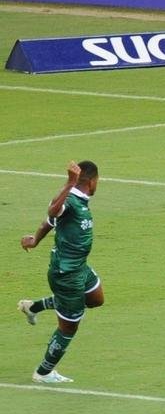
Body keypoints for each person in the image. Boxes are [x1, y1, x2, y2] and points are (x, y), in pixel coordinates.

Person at [17, 160, 104, 384]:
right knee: (69, 327)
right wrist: (69, 182)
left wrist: (36, 239)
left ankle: (32, 306)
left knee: (95, 298)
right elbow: (53, 211)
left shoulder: (80, 200)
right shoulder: (71, 199)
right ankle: (43, 372)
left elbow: (50, 220)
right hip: (66, 274)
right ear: (93, 181)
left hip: (79, 267)